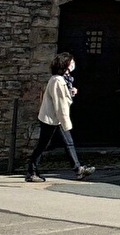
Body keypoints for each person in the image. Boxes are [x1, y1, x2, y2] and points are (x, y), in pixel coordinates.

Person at [24, 52, 94, 182]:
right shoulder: (58, 81)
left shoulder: (62, 80)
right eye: (71, 62)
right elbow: (60, 103)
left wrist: (70, 92)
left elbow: (62, 97)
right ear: (66, 64)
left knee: (67, 143)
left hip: (55, 118)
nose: (73, 65)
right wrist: (66, 122)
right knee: (44, 144)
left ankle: (78, 169)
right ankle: (31, 171)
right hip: (52, 118)